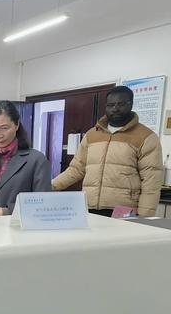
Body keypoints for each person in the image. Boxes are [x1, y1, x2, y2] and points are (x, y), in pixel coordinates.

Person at [52, 85, 163, 216]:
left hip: (124, 211)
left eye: (121, 104)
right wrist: (50, 186)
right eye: (110, 105)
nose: (115, 109)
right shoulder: (92, 135)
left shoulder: (146, 137)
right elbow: (76, 169)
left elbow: (151, 182)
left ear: (131, 104)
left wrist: (144, 217)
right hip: (89, 207)